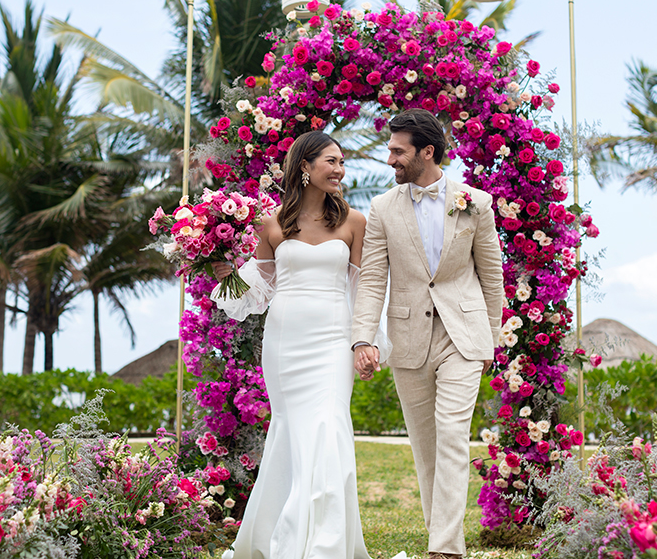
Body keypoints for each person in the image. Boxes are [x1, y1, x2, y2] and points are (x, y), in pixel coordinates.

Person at [210, 130, 376, 559]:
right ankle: (274, 537)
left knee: (329, 427)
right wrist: (211, 256)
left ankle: (325, 544)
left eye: (342, 162)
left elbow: (364, 291)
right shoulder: (273, 224)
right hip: (285, 341)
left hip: (333, 339)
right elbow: (255, 291)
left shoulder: (354, 223)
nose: (340, 170)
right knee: (290, 434)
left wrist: (365, 342)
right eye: (331, 161)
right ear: (305, 166)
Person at [351, 109, 504, 559]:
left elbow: (491, 274)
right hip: (408, 336)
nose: (390, 159)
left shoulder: (476, 201)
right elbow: (374, 277)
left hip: (464, 334)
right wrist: (364, 337)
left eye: (398, 152)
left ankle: (445, 549)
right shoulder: (381, 209)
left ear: (427, 152)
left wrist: (491, 339)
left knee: (453, 434)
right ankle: (441, 537)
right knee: (426, 444)